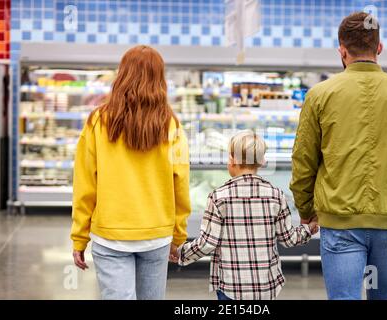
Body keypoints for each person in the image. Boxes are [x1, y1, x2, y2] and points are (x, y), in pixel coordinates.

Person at [290, 12, 387, 300]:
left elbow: (303, 162)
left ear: (342, 51)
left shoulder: (319, 95)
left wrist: (307, 211)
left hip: (339, 224)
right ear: (379, 48)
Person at [70, 45, 191, 300]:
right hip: (156, 235)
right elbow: (180, 182)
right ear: (160, 78)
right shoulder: (171, 124)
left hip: (110, 234)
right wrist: (178, 235)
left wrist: (79, 237)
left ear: (121, 74)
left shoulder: (98, 121)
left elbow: (84, 184)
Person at [176, 130, 318, 300]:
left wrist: (180, 253)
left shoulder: (218, 197)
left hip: (231, 287)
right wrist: (308, 229)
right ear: (262, 161)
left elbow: (207, 243)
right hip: (266, 286)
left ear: (232, 160)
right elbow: (289, 238)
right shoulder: (275, 195)